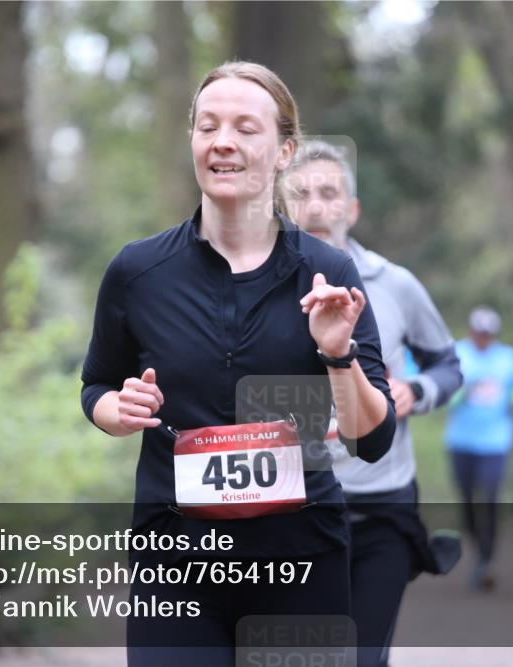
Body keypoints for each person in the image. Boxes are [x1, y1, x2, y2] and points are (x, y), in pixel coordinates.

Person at [80, 62, 397, 665]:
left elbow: (372, 440)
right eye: (208, 126)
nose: (222, 140)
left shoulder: (328, 272)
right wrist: (112, 410)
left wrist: (337, 354)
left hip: (301, 562)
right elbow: (96, 383)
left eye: (245, 128)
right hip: (174, 565)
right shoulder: (137, 273)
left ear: (284, 151)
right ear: (193, 142)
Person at [281, 140, 462, 666]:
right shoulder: (258, 287)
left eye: (329, 193)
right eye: (302, 193)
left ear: (352, 209)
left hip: (381, 506)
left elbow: (448, 364)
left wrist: (417, 390)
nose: (316, 205)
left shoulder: (394, 283)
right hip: (294, 509)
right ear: (284, 207)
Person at [445, 306, 513, 590]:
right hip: (462, 440)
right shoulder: (458, 353)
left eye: (488, 335)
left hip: (495, 440)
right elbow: (447, 394)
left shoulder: (509, 358)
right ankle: (478, 550)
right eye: (480, 334)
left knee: (491, 496)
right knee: (467, 499)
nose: (484, 339)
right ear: (471, 332)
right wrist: (466, 391)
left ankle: (488, 558)